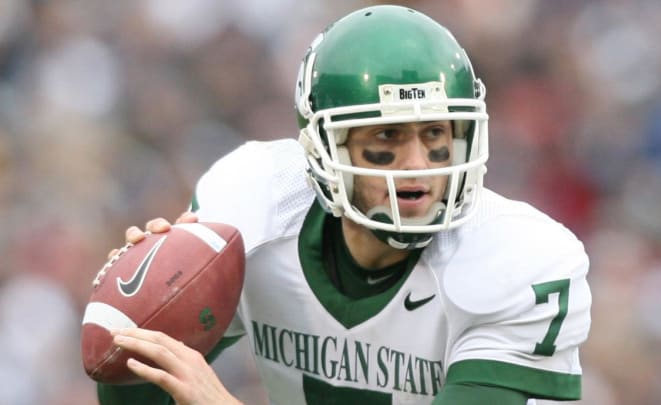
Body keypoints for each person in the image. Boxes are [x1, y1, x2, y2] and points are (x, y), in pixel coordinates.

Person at [95, 5, 592, 404]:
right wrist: (138, 317)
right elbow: (138, 393)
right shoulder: (254, 203)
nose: (418, 164)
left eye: (435, 133)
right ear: (325, 149)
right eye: (388, 136)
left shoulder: (519, 262)